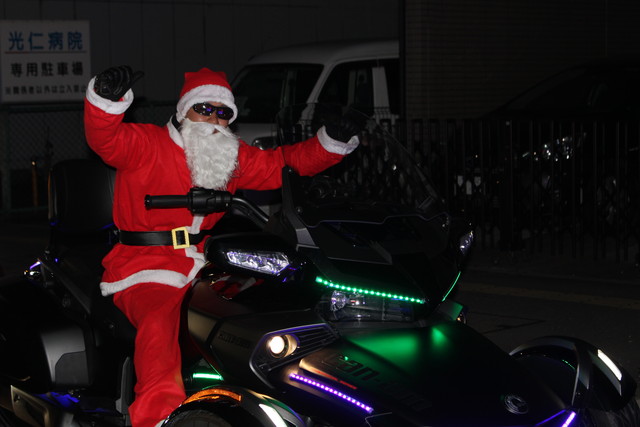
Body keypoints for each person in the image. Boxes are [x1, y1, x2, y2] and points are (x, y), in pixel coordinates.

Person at [84, 65, 360, 427]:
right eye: (204, 109)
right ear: (184, 111)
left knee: (267, 308)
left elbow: (282, 163)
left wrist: (330, 143)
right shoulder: (146, 143)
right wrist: (105, 100)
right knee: (158, 323)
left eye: (223, 112)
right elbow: (105, 139)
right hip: (145, 263)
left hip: (208, 259)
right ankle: (157, 417)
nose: (214, 119)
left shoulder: (230, 155)